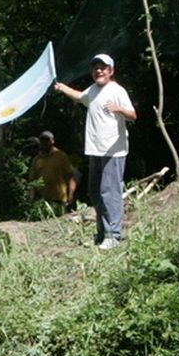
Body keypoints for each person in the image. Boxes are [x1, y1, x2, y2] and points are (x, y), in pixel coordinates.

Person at [52, 53, 136, 249]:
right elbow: (80, 97)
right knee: (95, 192)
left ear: (111, 71)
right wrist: (62, 87)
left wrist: (118, 109)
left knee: (110, 192)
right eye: (95, 68)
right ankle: (101, 234)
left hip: (113, 152)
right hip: (95, 151)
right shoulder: (93, 90)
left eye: (103, 67)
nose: (99, 70)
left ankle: (113, 235)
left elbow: (133, 115)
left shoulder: (117, 91)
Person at [27, 130, 77, 212]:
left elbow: (70, 177)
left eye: (47, 140)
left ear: (52, 141)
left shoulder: (61, 156)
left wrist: (71, 195)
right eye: (42, 140)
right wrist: (31, 199)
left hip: (60, 199)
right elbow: (33, 181)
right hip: (43, 200)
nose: (44, 143)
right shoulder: (37, 159)